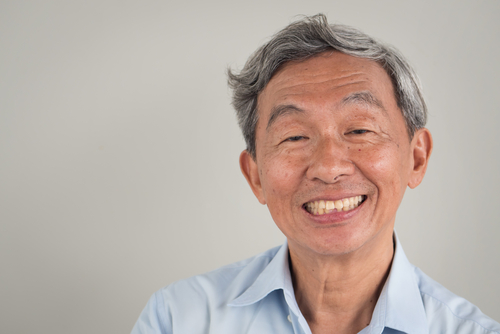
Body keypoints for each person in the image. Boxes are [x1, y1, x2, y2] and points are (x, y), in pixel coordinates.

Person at [131, 14, 500, 334]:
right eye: (294, 136)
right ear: (255, 175)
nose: (329, 167)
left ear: (416, 159)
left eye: (359, 130)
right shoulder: (178, 319)